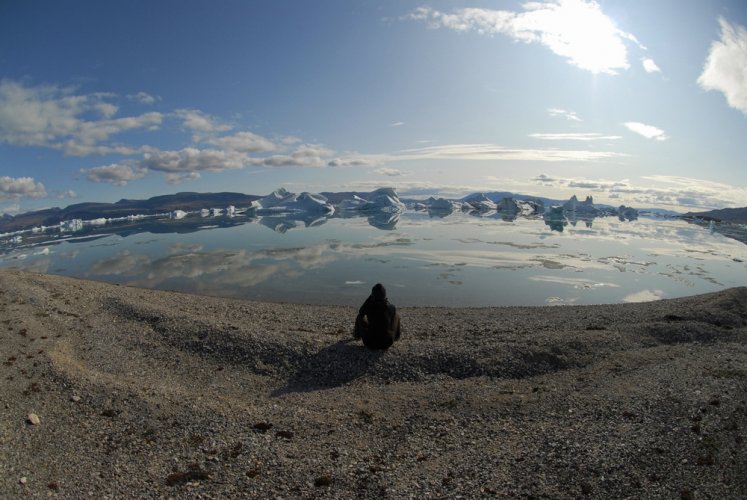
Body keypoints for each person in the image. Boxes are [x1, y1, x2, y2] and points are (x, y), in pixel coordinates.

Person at [353, 283, 402, 350]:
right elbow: (390, 317)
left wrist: (370, 298)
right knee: (396, 316)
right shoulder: (391, 307)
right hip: (387, 342)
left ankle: (357, 336)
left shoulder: (369, 307)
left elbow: (361, 313)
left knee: (359, 317)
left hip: (370, 343)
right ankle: (396, 337)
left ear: (373, 295)